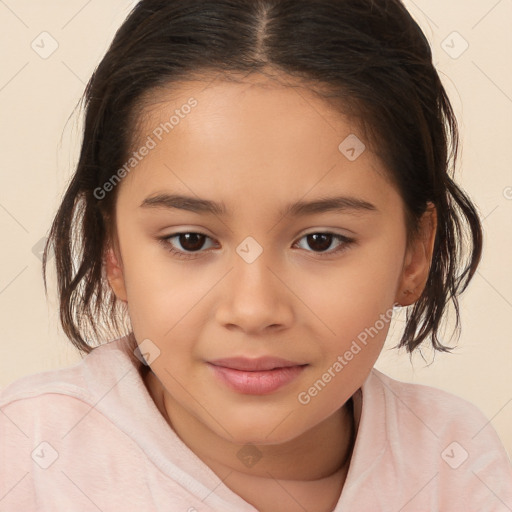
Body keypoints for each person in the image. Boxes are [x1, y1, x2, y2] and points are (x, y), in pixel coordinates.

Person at [1, 0, 511, 510]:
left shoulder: (454, 461)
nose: (253, 310)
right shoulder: (27, 460)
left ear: (414, 256)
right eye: (191, 240)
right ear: (113, 251)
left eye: (321, 240)